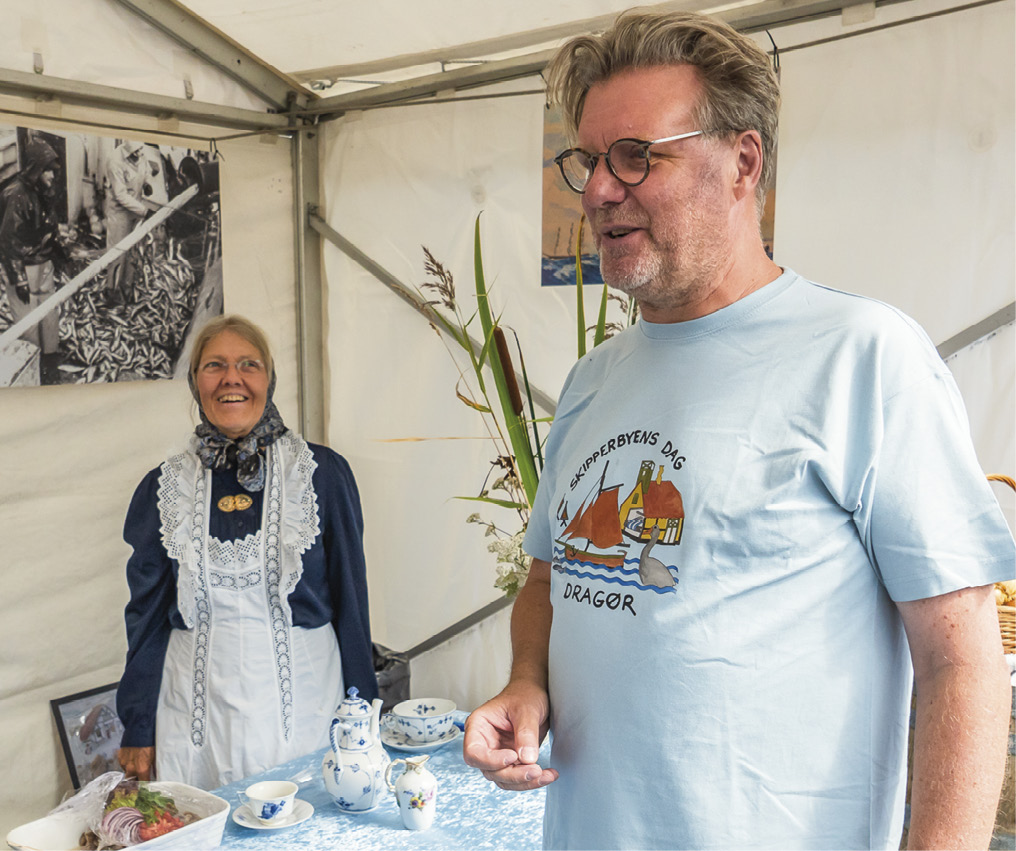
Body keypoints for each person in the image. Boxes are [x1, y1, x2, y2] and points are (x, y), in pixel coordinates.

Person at [464, 10, 1015, 850]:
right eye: (587, 161)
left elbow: (962, 657)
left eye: (636, 156)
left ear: (742, 162)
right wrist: (527, 681)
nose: (600, 190)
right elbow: (549, 576)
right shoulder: (592, 380)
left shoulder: (862, 358)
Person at [116, 314, 377, 789]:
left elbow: (352, 603)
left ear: (269, 379)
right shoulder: (164, 487)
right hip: (195, 718)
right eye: (214, 365)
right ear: (195, 381)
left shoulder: (322, 475)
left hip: (306, 711)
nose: (231, 378)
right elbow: (147, 617)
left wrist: (365, 714)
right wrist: (137, 724)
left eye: (247, 364)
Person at [0, 137, 63, 379]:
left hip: (41, 263)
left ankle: (50, 363)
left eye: (53, 170)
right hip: (22, 266)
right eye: (47, 170)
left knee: (47, 312)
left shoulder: (43, 190)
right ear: (35, 169)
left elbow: (48, 226)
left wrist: (56, 252)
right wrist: (19, 280)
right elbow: (8, 243)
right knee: (27, 318)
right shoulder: (16, 195)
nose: (52, 176)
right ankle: (33, 367)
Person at [102, 139, 149, 306]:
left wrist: (147, 183)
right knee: (117, 254)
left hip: (135, 208)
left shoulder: (140, 154)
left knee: (133, 254)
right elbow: (120, 195)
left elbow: (145, 169)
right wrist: (144, 211)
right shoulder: (115, 160)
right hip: (120, 213)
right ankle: (112, 295)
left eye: (140, 150)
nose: (139, 154)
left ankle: (127, 293)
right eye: (135, 152)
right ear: (127, 151)